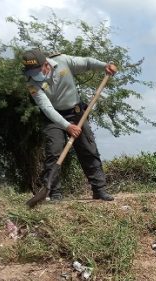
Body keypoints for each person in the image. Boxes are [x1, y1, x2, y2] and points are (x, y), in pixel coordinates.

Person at [22, 49, 116, 201]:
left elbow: (86, 63)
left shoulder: (63, 61)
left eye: (36, 70)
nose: (34, 74)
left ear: (45, 64)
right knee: (54, 151)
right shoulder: (32, 83)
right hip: (53, 118)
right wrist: (67, 126)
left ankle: (99, 190)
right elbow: (47, 108)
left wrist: (105, 65)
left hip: (77, 112)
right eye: (30, 71)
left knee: (88, 149)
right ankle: (55, 194)